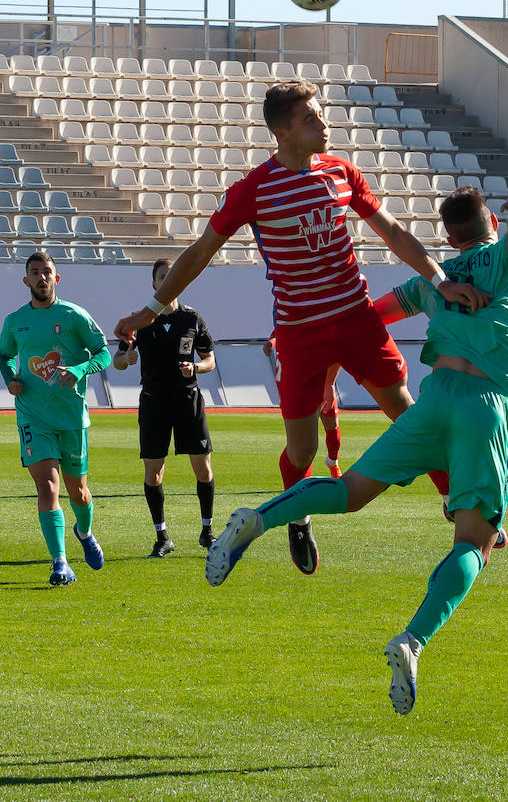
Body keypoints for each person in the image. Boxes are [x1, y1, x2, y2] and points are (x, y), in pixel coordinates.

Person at [115, 79, 485, 576]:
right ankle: (298, 513)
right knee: (302, 449)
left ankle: (456, 502)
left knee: (409, 413)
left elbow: (393, 231)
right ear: (281, 132)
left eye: (320, 114)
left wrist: (438, 280)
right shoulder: (253, 190)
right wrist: (151, 309)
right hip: (301, 333)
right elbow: (201, 250)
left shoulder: (341, 172)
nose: (324, 123)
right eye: (310, 117)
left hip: (356, 319)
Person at [205, 187, 508, 716]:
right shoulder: (505, 258)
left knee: (349, 491)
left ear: (449, 238)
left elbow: (374, 315)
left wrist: (335, 357)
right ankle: (412, 640)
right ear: (490, 223)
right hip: (486, 407)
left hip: (434, 402)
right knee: (475, 542)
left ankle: (255, 520)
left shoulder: (436, 282)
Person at [0, 250, 112, 585]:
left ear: (56, 277)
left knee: (79, 492)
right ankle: (60, 562)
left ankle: (85, 531)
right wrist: (11, 379)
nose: (41, 278)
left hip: (72, 418)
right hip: (34, 416)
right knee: (48, 486)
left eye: (46, 271)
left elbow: (104, 352)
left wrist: (78, 368)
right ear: (26, 280)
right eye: (35, 272)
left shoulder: (75, 316)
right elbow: (5, 355)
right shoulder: (15, 321)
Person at [113, 257, 219, 557]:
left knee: (203, 466)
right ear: (154, 284)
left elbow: (211, 359)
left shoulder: (192, 318)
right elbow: (118, 361)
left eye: (173, 275)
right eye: (163, 276)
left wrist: (197, 368)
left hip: (188, 399)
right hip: (154, 401)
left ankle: (207, 531)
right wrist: (126, 360)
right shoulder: (140, 321)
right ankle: (162, 538)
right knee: (154, 472)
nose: (168, 280)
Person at [265, 333, 342, 478]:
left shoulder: (321, 325)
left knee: (333, 431)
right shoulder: (291, 323)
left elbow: (338, 349)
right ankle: (301, 480)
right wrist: (271, 343)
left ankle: (333, 462)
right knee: (303, 443)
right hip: (301, 389)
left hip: (323, 388)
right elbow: (279, 334)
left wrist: (329, 384)